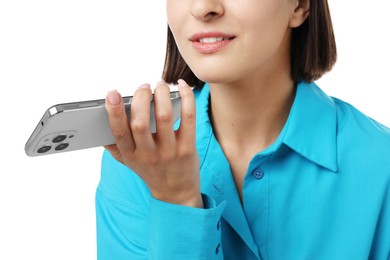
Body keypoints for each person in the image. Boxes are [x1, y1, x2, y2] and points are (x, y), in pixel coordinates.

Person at [95, 0, 390, 259]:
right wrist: (176, 200)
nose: (202, 7)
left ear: (299, 5)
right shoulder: (134, 161)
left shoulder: (381, 167)